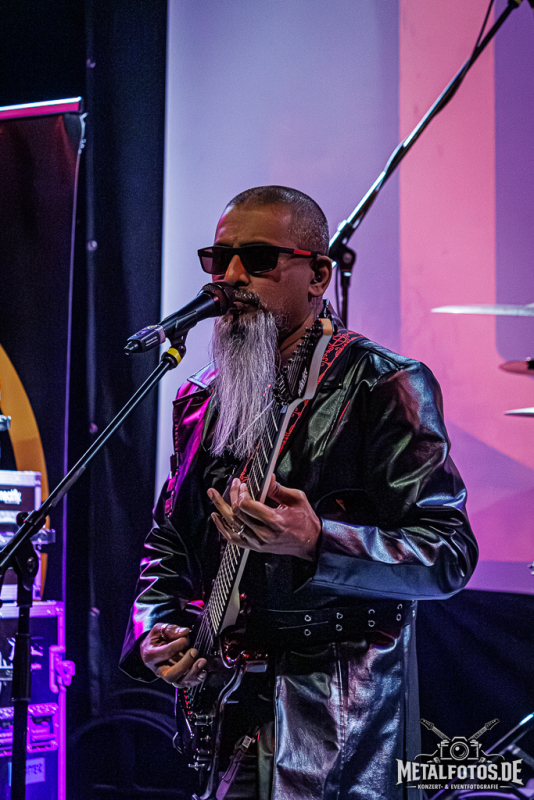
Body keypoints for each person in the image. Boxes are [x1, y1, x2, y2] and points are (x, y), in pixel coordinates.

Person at [120, 185, 478, 800]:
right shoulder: (202, 396)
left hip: (337, 716)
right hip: (226, 705)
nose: (231, 277)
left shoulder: (384, 384)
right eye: (219, 259)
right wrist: (157, 625)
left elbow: (448, 554)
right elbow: (170, 541)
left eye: (259, 260)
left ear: (318, 276)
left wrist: (318, 541)